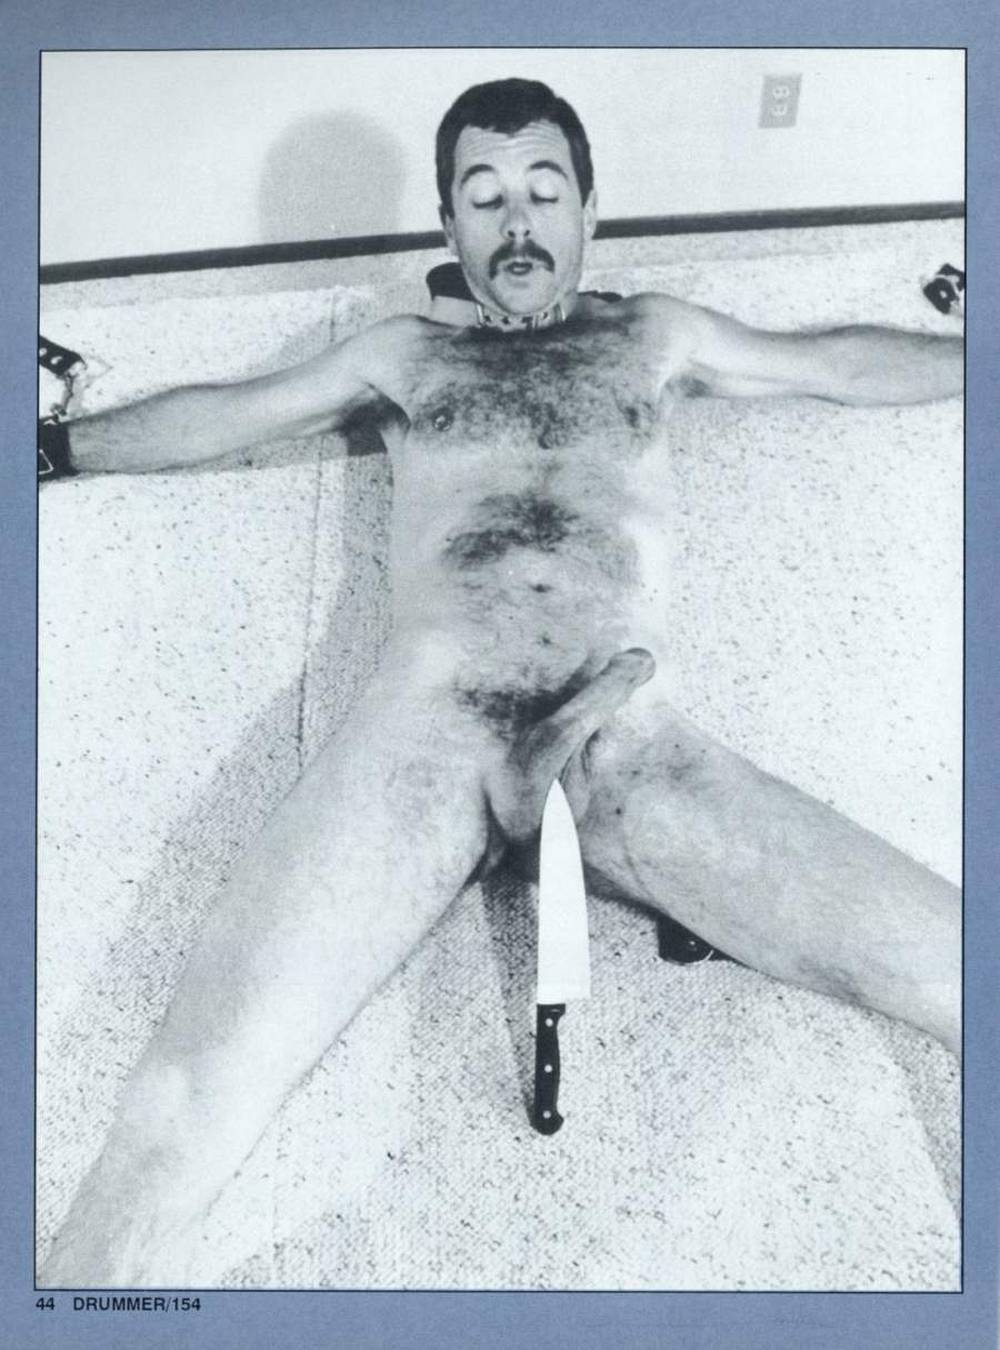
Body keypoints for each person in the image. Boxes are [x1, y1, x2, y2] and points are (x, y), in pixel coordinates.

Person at [38, 78, 963, 1287]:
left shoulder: (656, 334)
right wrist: (56, 446)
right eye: (484, 198)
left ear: (587, 212)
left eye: (542, 192)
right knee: (187, 1099)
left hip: (627, 736)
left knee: (960, 969)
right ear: (449, 227)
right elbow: (230, 413)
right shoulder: (402, 353)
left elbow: (832, 364)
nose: (516, 223)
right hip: (428, 736)